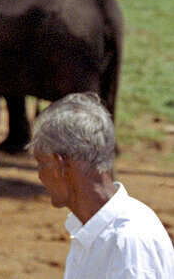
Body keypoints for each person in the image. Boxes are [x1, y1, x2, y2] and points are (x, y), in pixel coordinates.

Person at [30, 92, 174, 278]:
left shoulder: (127, 244)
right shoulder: (93, 234)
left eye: (42, 163)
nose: (40, 176)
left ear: (61, 165)